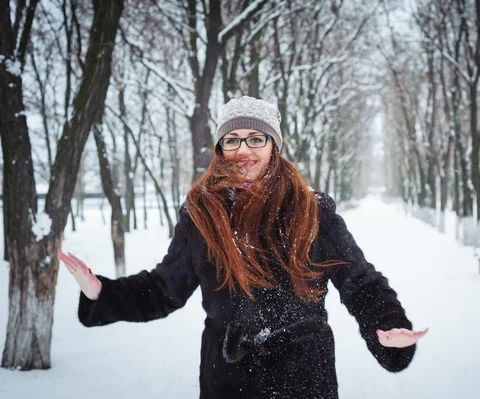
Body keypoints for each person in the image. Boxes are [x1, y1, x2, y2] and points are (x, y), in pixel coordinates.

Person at [59, 96, 428, 399]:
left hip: (304, 379)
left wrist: (389, 327)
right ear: (221, 148)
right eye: (232, 140)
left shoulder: (312, 212)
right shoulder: (201, 215)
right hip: (227, 380)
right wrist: (102, 293)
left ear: (274, 147)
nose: (244, 150)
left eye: (256, 138)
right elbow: (162, 289)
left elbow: (360, 282)